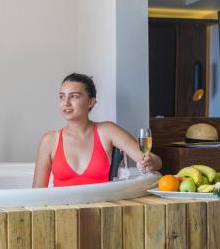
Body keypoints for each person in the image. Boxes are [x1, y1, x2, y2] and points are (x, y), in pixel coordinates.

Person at [32, 73, 162, 188]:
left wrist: (150, 163)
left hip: (99, 210)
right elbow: (36, 193)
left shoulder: (107, 131)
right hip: (61, 211)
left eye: (74, 96)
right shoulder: (49, 140)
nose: (66, 102)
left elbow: (156, 161)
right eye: (62, 96)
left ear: (91, 102)